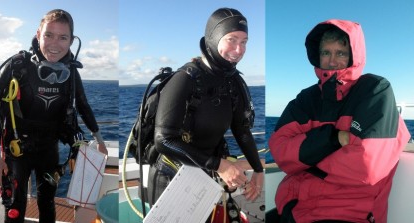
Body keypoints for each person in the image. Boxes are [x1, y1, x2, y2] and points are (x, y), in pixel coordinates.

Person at [269, 19, 410, 223]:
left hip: (350, 214)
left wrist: (305, 162)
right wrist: (333, 139)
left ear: (354, 56)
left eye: (341, 53)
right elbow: (280, 150)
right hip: (296, 207)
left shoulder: (375, 90)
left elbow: (366, 166)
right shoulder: (306, 99)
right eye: (326, 53)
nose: (332, 61)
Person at [0, 9, 107, 223]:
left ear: (71, 40)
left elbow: (83, 105)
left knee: (47, 203)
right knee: (14, 207)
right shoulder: (17, 67)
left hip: (49, 149)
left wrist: (99, 140)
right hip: (16, 150)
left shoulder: (71, 74)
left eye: (63, 37)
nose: (55, 44)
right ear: (38, 34)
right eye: (49, 35)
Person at [148, 7, 264, 207]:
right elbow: (163, 140)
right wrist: (220, 165)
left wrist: (258, 171)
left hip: (206, 176)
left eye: (244, 42)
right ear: (213, 37)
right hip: (171, 178)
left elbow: (242, 130)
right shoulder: (186, 78)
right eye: (232, 40)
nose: (239, 50)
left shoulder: (234, 82)